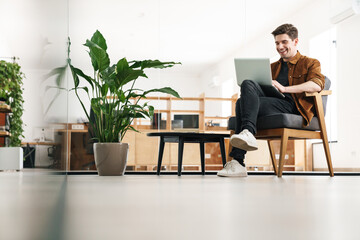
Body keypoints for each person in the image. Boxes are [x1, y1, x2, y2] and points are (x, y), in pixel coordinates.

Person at [217, 23, 325, 177]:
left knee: (242, 103)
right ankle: (248, 133)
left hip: (293, 107)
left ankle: (238, 161)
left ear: (295, 42)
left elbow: (316, 85)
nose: (280, 46)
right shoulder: (272, 67)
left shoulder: (310, 63)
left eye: (284, 42)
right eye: (277, 43)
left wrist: (285, 89)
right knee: (247, 85)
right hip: (273, 103)